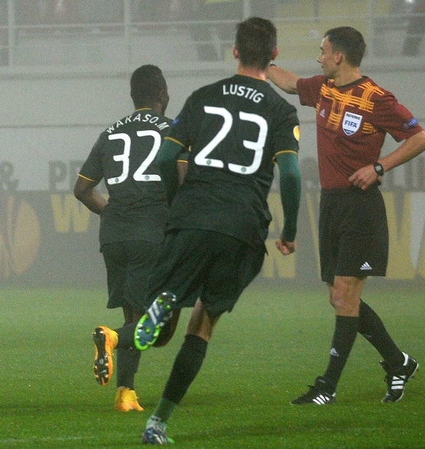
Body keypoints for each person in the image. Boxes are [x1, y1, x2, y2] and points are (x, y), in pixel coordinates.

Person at [93, 17, 302, 444]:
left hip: (191, 218)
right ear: (275, 55)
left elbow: (166, 159)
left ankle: (135, 324)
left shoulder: (202, 97)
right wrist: (291, 230)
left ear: (235, 51)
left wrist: (177, 206)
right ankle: (158, 423)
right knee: (202, 324)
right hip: (241, 225)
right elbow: (292, 174)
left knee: (162, 328)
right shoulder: (281, 110)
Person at [268, 26, 424, 405]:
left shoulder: (376, 98)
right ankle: (398, 362)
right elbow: (289, 84)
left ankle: (327, 387)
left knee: (344, 295)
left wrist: (380, 167)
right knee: (340, 299)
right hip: (331, 204)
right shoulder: (323, 88)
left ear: (338, 56)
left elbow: (419, 137)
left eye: (322, 51)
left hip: (360, 207)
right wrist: (260, 64)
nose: (319, 57)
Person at [74, 64, 179, 413]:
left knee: (134, 314)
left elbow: (82, 189)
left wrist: (112, 212)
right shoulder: (173, 130)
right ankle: (113, 337)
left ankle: (126, 393)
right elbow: (185, 180)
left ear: (133, 96)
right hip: (152, 232)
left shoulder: (110, 132)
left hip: (115, 235)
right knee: (158, 327)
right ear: (162, 93)